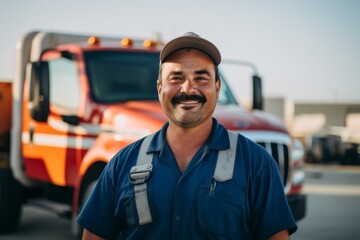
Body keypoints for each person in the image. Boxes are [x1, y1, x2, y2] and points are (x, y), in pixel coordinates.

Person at [77, 32, 297, 240]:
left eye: (201, 78)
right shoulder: (122, 164)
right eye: (176, 78)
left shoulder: (257, 164)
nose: (188, 89)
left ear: (217, 88)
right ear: (159, 88)